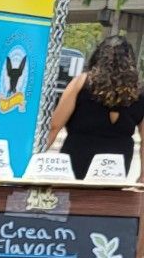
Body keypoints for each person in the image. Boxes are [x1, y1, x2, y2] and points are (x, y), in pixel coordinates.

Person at [48, 34, 144, 179]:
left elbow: (54, 126)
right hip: (116, 167)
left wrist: (34, 161)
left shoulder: (81, 83)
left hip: (76, 160)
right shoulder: (138, 91)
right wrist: (142, 177)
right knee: (104, 201)